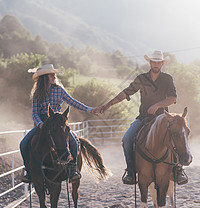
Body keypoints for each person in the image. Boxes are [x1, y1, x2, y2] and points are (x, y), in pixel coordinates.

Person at [93, 50, 188, 185]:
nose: (155, 64)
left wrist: (157, 105)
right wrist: (107, 105)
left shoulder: (168, 78)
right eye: (153, 61)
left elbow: (173, 98)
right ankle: (131, 171)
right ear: (150, 62)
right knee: (127, 139)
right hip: (144, 117)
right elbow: (125, 93)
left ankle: (178, 169)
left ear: (162, 64)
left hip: (163, 118)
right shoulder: (141, 78)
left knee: (177, 135)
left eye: (158, 62)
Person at [20, 64, 96, 184]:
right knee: (23, 144)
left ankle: (72, 170)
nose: (54, 76)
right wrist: (39, 123)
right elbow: (35, 112)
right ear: (45, 77)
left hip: (57, 123)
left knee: (74, 143)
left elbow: (72, 102)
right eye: (51, 75)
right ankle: (29, 172)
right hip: (43, 123)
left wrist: (89, 109)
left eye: (54, 74)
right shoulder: (37, 94)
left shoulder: (59, 90)